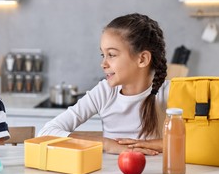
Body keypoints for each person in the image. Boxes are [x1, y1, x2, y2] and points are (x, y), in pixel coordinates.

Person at [38, 13, 169, 155]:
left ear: (142, 59)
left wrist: (150, 144)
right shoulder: (104, 92)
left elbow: (194, 142)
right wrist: (105, 143)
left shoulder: (170, 92)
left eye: (111, 55)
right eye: (103, 55)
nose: (103, 64)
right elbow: (46, 132)